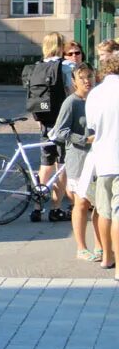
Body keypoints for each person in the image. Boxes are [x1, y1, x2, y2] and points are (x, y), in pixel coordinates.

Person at [52, 64, 102, 261]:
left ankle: (100, 245)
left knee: (100, 205)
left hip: (99, 158)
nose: (87, 80)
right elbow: (60, 131)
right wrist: (83, 139)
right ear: (74, 82)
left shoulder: (98, 100)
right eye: (82, 78)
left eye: (90, 76)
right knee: (81, 203)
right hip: (79, 159)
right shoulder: (71, 102)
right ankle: (81, 247)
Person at [84, 50, 119, 275]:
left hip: (104, 160)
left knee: (104, 211)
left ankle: (107, 257)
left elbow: (92, 129)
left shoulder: (95, 94)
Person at [34, 32, 70, 222]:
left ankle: (37, 207)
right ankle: (55, 209)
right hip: (61, 123)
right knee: (61, 166)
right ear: (61, 46)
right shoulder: (64, 67)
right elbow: (72, 93)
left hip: (45, 122)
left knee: (45, 165)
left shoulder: (38, 67)